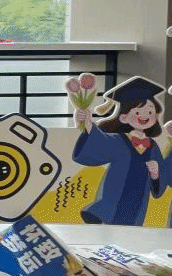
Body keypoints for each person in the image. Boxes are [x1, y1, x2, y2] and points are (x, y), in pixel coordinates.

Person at [73, 76, 172, 226]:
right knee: (109, 229)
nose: (144, 116)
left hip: (138, 203)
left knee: (131, 230)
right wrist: (87, 124)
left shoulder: (152, 146)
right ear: (124, 118)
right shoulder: (119, 141)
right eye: (137, 112)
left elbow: (161, 180)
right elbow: (100, 144)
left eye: (150, 112)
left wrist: (156, 173)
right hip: (114, 201)